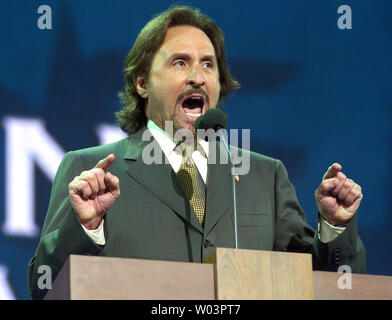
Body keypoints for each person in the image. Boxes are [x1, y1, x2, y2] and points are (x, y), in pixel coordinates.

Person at [27, 6, 365, 300]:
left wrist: (334, 227)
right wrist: (85, 227)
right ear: (142, 82)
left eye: (208, 65)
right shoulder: (88, 170)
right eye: (180, 63)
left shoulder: (264, 176)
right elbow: (44, 286)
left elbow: (325, 284)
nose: (197, 77)